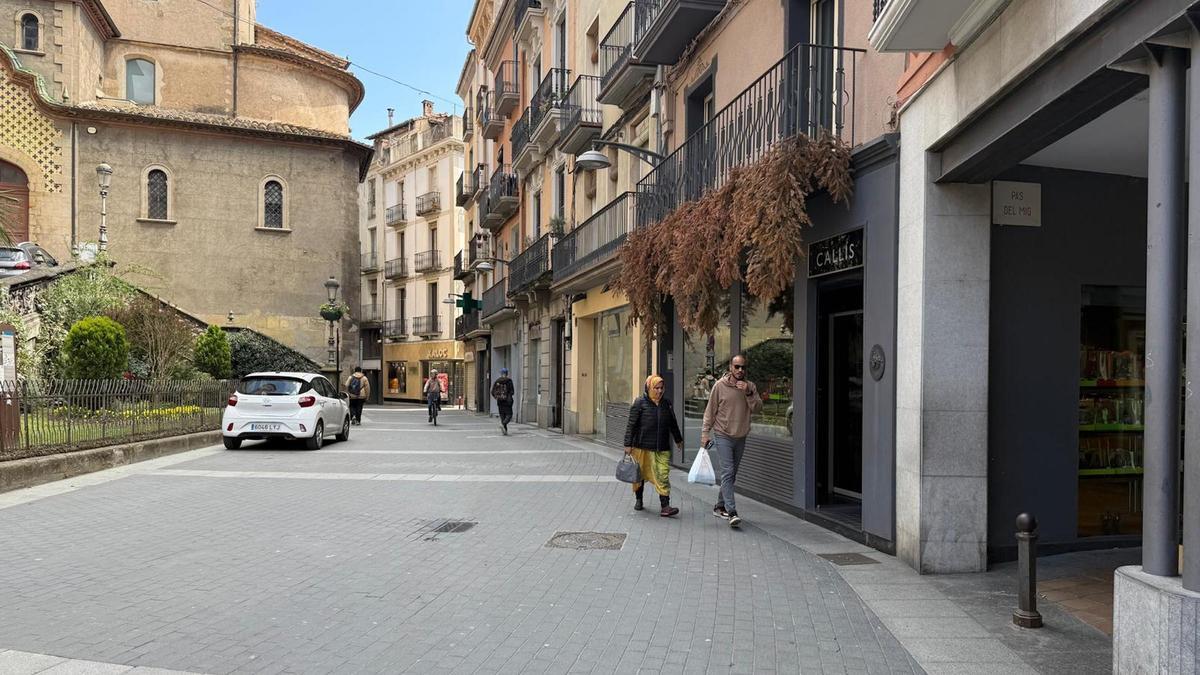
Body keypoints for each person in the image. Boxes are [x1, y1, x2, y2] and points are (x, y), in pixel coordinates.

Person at [700, 354, 762, 528]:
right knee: (728, 471)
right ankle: (732, 512)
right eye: (737, 367)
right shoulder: (720, 386)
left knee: (731, 474)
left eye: (743, 367)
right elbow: (710, 411)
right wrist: (705, 433)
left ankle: (720, 506)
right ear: (730, 368)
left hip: (740, 436)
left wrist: (748, 392)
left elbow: (757, 408)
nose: (740, 370)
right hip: (723, 434)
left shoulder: (750, 387)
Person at [624, 375, 684, 517]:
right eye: (656, 388)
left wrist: (678, 439)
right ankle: (639, 499)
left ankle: (665, 506)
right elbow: (631, 425)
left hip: (662, 447)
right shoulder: (639, 403)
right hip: (642, 447)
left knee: (663, 474)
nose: (659, 391)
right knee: (640, 475)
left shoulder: (666, 404)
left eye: (661, 388)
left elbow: (673, 423)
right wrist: (628, 444)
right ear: (649, 388)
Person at [491, 367, 515, 435]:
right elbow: (512, 391)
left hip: (500, 402)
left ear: (501, 374)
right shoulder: (509, 381)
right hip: (507, 401)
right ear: (507, 374)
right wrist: (509, 395)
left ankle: (505, 431)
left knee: (502, 416)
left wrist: (497, 397)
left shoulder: (497, 381)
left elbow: (492, 392)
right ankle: (504, 425)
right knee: (509, 415)